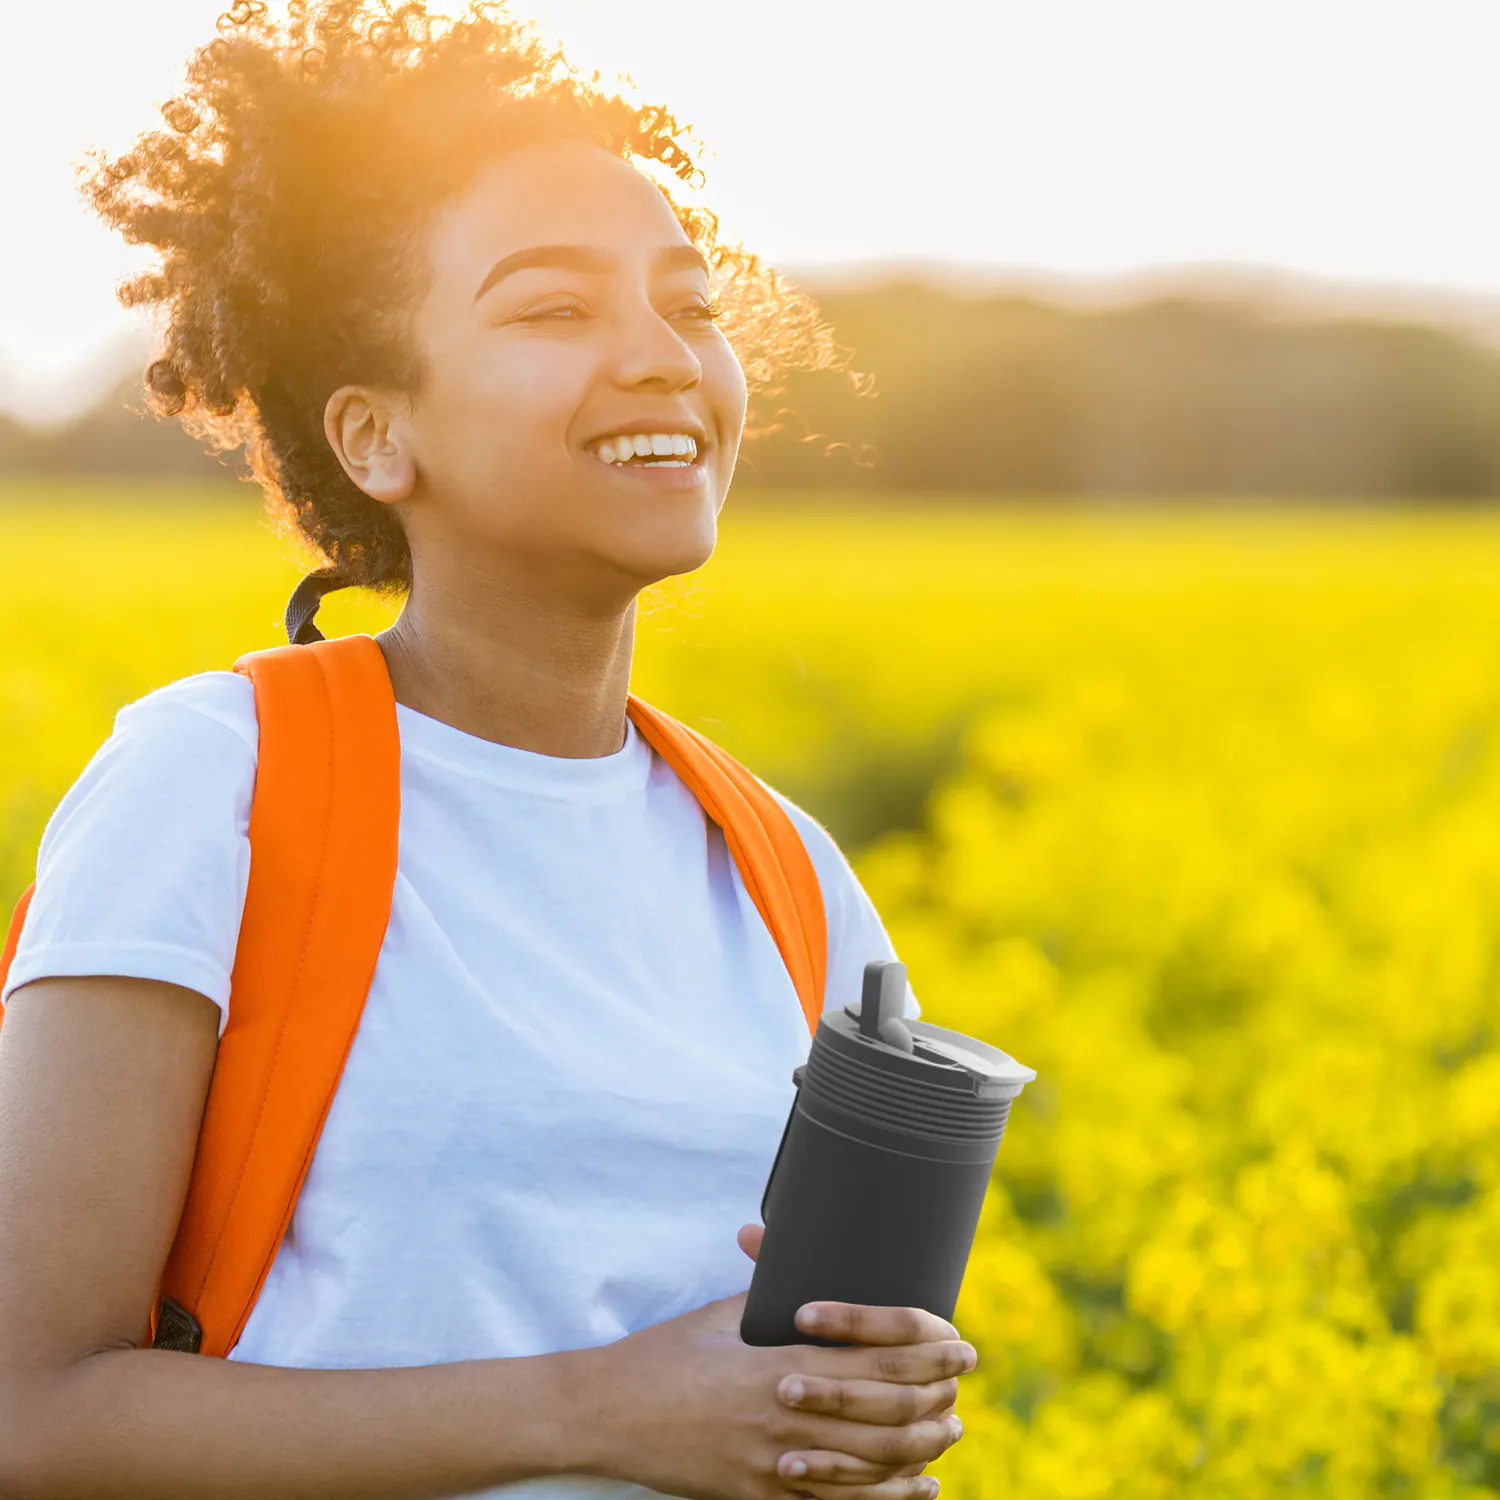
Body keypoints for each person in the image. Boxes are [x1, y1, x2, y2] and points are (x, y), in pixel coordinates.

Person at [0, 3, 975, 1497]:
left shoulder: (786, 873)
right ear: (378, 438)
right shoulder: (219, 782)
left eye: (689, 304)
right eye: (552, 310)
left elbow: (788, 1409)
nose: (661, 357)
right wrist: (601, 1411)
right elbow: (32, 1418)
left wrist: (860, 1429)